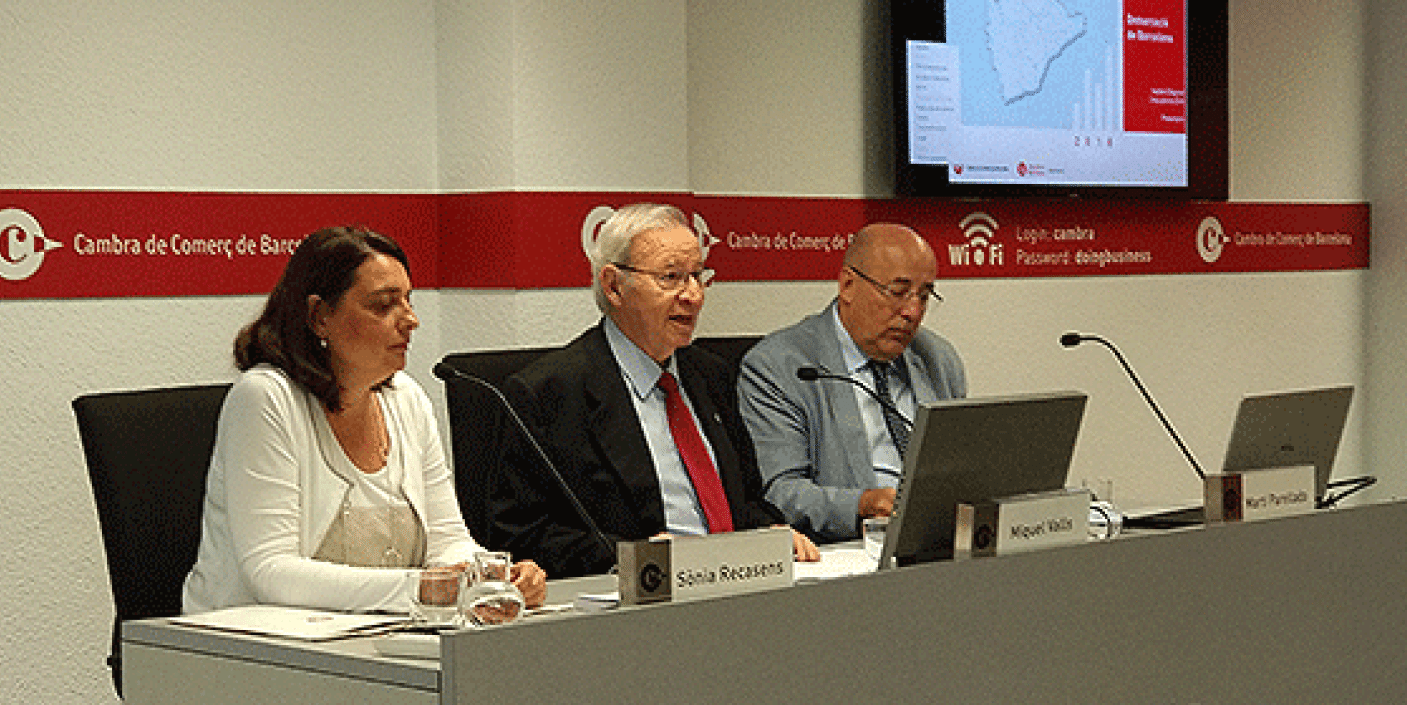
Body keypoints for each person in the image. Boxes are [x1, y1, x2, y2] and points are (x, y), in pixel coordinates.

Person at [182, 225, 547, 614]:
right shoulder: (266, 398)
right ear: (319, 316)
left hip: (371, 641)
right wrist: (422, 589)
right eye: (383, 305)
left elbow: (448, 541)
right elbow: (270, 571)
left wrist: (490, 577)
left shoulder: (408, 399)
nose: (410, 320)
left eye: (408, 300)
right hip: (246, 652)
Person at [488, 203, 819, 580]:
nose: (693, 295)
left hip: (734, 585)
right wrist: (635, 557)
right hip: (639, 602)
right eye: (672, 278)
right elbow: (520, 533)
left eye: (697, 276)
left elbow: (744, 499)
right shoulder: (550, 394)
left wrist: (769, 531)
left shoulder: (710, 375)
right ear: (614, 286)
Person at [737, 222, 966, 543]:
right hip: (847, 549)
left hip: (936, 542)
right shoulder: (780, 366)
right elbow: (780, 492)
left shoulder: (937, 359)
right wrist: (864, 504)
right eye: (898, 292)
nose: (912, 312)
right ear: (847, 285)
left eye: (924, 296)